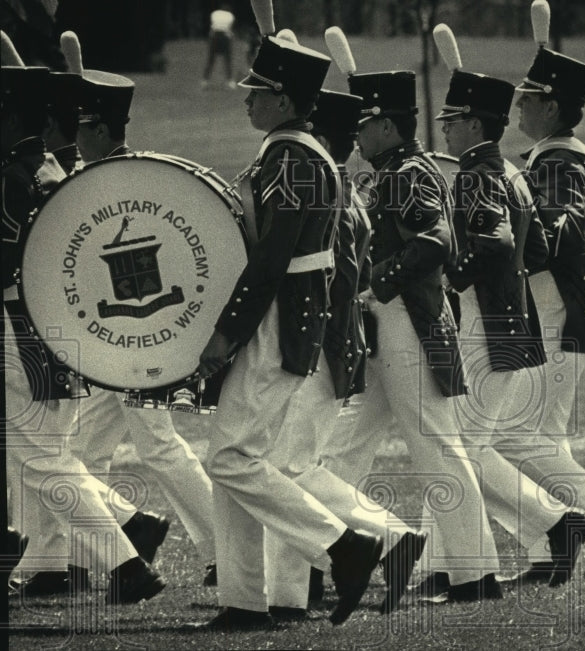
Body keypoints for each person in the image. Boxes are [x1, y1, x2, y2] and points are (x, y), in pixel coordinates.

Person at [194, 34, 383, 631]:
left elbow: (272, 259)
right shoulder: (291, 154)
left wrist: (225, 334)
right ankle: (244, 600)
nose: (247, 101)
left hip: (281, 318)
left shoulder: (294, 159)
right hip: (286, 316)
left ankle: (342, 546)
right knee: (239, 457)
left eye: (257, 92)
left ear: (281, 99)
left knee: (228, 457)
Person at [317, 61, 503, 602]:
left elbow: (436, 241)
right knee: (345, 448)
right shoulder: (396, 171)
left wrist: (377, 285)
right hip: (385, 326)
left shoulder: (407, 174)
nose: (355, 134)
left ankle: (474, 575)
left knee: (439, 450)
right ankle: (325, 560)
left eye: (363, 123)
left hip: (405, 323)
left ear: (388, 126)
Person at [261, 88, 428, 620]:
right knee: (289, 465)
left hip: (319, 348)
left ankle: (388, 535)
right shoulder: (342, 194)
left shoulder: (327, 196)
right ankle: (287, 594)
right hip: (330, 346)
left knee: (287, 467)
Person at [3, 63, 164, 606]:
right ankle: (124, 532)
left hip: (18, 329)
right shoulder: (48, 171)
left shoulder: (14, 177)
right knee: (46, 454)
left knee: (39, 458)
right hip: (49, 332)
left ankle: (125, 561)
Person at [433, 52, 585, 589]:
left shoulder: (478, 175)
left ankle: (554, 523)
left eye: (451, 123)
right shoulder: (512, 173)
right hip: (512, 320)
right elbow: (540, 247)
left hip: (486, 324)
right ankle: (546, 528)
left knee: (459, 451)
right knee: (464, 448)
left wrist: (453, 269)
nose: (447, 133)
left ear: (474, 125)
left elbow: (497, 242)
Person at [66, 66, 219, 588]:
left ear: (102, 131)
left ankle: (224, 548)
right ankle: (100, 552)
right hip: (115, 343)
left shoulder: (122, 183)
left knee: (158, 446)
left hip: (140, 339)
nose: (74, 139)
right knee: (84, 448)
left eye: (81, 129)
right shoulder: (119, 177)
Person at [494, 16, 585, 583]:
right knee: (540, 438)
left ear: (551, 107)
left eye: (527, 100)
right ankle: (554, 549)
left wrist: (514, 225)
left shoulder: (558, 162)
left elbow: (563, 235)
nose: (518, 110)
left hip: (558, 312)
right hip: (566, 311)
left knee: (508, 438)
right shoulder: (560, 155)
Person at [202, 2, 236, 89]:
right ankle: (230, 81)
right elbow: (229, 29)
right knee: (227, 60)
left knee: (211, 59)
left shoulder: (214, 14)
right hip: (224, 37)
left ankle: (205, 81)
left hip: (215, 36)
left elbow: (212, 27)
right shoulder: (230, 15)